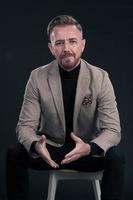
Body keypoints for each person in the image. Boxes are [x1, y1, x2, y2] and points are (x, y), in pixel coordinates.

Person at [6, 15, 125, 200]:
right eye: (59, 43)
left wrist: (90, 148)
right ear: (51, 47)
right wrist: (36, 146)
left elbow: (113, 130)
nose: (67, 49)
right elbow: (24, 126)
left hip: (87, 151)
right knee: (14, 153)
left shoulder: (101, 78)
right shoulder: (37, 77)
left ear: (83, 44)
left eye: (72, 41)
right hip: (50, 150)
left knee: (116, 157)